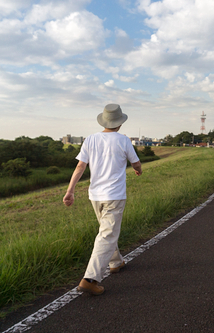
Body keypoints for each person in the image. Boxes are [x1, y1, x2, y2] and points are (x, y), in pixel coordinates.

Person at [63, 104, 142, 295]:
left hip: (95, 195)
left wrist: (70, 190)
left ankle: (115, 262)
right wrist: (138, 169)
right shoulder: (123, 141)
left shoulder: (90, 139)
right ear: (120, 123)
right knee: (107, 234)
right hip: (114, 195)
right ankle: (90, 279)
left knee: (107, 231)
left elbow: (81, 166)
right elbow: (136, 162)